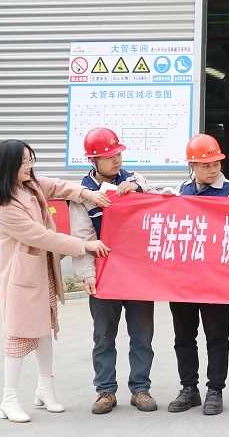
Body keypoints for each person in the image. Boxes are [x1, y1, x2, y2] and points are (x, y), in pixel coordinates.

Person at [0, 139, 111, 423]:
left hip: (41, 270)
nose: (30, 166)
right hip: (20, 275)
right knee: (17, 336)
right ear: (7, 165)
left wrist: (87, 193)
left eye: (31, 159)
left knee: (43, 330)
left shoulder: (31, 185)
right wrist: (83, 245)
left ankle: (45, 389)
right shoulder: (3, 203)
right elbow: (39, 236)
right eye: (24, 161)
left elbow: (59, 186)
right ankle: (8, 399)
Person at [70, 127, 165, 414]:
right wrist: (87, 274)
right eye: (108, 156)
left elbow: (165, 198)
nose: (116, 160)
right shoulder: (83, 195)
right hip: (105, 275)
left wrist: (138, 190)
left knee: (142, 336)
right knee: (103, 337)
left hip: (138, 274)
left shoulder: (135, 180)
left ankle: (140, 389)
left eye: (118, 154)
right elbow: (82, 236)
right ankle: (105, 391)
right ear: (93, 160)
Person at [167, 133, 229, 416]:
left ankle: (215, 390)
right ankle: (189, 388)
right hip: (183, 279)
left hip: (215, 279)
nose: (213, 170)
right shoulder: (180, 192)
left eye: (216, 164)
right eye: (206, 165)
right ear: (192, 166)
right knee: (184, 337)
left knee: (216, 337)